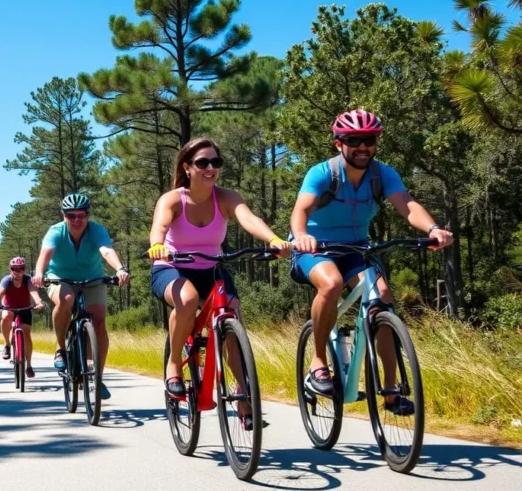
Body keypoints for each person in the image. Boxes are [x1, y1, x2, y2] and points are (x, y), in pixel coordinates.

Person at [289, 109, 453, 415]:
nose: (363, 147)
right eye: (354, 140)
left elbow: (408, 205)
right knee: (332, 283)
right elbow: (301, 209)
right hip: (315, 247)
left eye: (369, 140)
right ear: (339, 143)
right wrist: (300, 235)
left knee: (382, 299)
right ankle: (318, 363)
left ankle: (391, 391)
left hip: (356, 249)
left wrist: (432, 229)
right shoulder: (322, 173)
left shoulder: (382, 174)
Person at [148, 137, 292, 428]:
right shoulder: (173, 199)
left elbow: (248, 218)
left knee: (231, 315)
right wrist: (157, 245)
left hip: (212, 268)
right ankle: (174, 363)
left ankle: (242, 393)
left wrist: (273, 239)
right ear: (188, 167)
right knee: (187, 300)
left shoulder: (226, 197)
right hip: (172, 267)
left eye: (216, 162)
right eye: (203, 162)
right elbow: (159, 226)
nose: (210, 167)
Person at [33, 193, 129, 400]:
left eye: (82, 215)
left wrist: (120, 268)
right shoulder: (56, 231)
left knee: (99, 323)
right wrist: (39, 272)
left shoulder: (96, 230)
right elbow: (45, 253)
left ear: (88, 215)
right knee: (66, 300)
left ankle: (98, 376)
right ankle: (61, 349)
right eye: (71, 216)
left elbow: (106, 250)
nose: (77, 220)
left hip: (92, 279)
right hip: (60, 278)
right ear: (64, 216)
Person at [0, 256, 46, 377]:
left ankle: (28, 365)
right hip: (9, 308)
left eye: (21, 269)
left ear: (24, 269)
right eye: (14, 269)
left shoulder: (28, 280)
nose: (17, 272)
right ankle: (7, 344)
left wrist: (38, 302)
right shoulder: (7, 280)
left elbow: (34, 292)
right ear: (10, 269)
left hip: (25, 309)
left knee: (27, 335)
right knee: (5, 317)